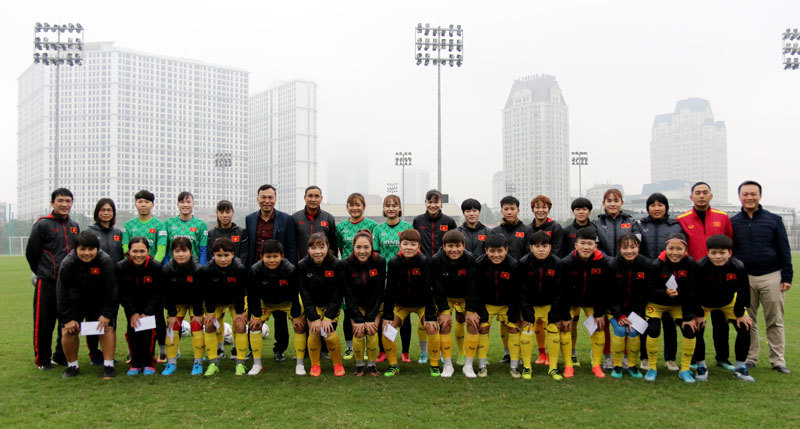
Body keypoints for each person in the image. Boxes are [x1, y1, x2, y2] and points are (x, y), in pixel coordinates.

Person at [731, 180, 793, 374]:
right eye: (745, 194)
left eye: (753, 194)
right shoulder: (732, 222)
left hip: (771, 276)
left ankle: (778, 361)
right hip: (744, 278)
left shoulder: (774, 220)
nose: (749, 197)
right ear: (740, 196)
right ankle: (750, 358)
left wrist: (787, 276)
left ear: (760, 195)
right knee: (749, 320)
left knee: (775, 320)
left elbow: (784, 249)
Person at [676, 182, 735, 371]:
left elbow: (729, 242)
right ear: (691, 197)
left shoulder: (722, 217)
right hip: (695, 277)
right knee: (697, 319)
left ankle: (723, 358)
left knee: (721, 321)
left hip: (721, 276)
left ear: (711, 195)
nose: (701, 196)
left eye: (705, 193)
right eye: (697, 193)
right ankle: (696, 359)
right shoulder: (682, 219)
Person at [26, 187, 80, 369]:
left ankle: (60, 355)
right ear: (52, 203)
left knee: (67, 321)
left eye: (68, 201)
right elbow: (32, 253)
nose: (64, 205)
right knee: (44, 322)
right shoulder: (42, 224)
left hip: (68, 284)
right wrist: (43, 271)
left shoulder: (74, 225)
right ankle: (42, 360)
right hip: (47, 282)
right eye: (60, 201)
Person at [245, 184, 297, 363]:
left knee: (280, 314)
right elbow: (249, 246)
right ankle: (252, 349)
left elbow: (290, 247)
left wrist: (288, 270)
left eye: (270, 197)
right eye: (263, 197)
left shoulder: (286, 219)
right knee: (254, 310)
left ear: (275, 199)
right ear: (258, 198)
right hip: (257, 273)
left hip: (280, 271)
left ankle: (279, 349)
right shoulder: (250, 219)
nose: (267, 201)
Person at [693, 234, 755, 382]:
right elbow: (694, 292)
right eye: (714, 253)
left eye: (722, 253)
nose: (718, 256)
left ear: (730, 253)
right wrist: (699, 313)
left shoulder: (738, 266)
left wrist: (741, 313)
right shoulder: (700, 266)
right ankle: (700, 365)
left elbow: (744, 291)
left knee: (745, 327)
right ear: (707, 253)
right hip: (704, 303)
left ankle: (740, 367)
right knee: (696, 328)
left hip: (729, 303)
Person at [57, 231, 118, 379]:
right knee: (68, 330)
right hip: (75, 301)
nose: (87, 253)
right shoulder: (68, 263)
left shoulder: (105, 261)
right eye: (82, 249)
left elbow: (112, 289)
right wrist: (67, 318)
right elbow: (61, 293)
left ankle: (108, 366)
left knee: (107, 328)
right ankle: (72, 367)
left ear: (97, 249)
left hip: (99, 300)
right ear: (75, 249)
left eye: (91, 249)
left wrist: (107, 314)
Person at [592, 188, 641, 369]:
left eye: (616, 200)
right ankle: (606, 357)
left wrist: (622, 261)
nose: (612, 203)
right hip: (604, 272)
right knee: (603, 318)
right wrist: (612, 261)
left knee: (626, 316)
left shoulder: (631, 222)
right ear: (604, 203)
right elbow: (594, 248)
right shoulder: (596, 223)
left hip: (626, 274)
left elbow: (636, 246)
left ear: (621, 202)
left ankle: (627, 356)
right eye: (609, 200)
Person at [644, 233, 701, 383]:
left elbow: (692, 292)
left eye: (679, 249)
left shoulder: (690, 264)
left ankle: (685, 369)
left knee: (689, 329)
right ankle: (652, 367)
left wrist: (689, 317)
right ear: (666, 248)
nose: (675, 252)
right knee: (654, 329)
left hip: (677, 306)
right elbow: (648, 290)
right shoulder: (656, 264)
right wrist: (664, 293)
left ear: (686, 250)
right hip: (656, 305)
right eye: (671, 248)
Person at [381, 229, 439, 377]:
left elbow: (428, 289)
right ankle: (393, 365)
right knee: (387, 329)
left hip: (421, 305)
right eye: (405, 244)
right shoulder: (394, 262)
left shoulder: (424, 261)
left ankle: (434, 364)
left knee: (432, 327)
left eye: (413, 244)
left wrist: (431, 315)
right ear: (400, 245)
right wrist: (387, 315)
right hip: (401, 305)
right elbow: (389, 291)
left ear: (418, 246)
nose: (409, 247)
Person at [121, 190, 169, 363]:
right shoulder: (128, 226)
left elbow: (162, 248)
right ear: (135, 204)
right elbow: (126, 247)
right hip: (133, 275)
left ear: (152, 205)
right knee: (132, 314)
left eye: (147, 202)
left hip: (153, 274)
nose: (143, 205)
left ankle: (162, 350)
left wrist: (149, 267)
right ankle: (132, 351)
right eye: (140, 201)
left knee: (157, 315)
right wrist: (136, 266)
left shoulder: (159, 225)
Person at [638, 193, 683, 372]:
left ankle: (670, 358)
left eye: (660, 205)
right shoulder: (641, 225)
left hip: (669, 277)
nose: (657, 208)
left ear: (666, 207)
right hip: (648, 277)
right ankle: (645, 357)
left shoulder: (675, 226)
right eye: (653, 205)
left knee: (669, 322)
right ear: (648, 207)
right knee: (646, 320)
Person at [463, 234, 519, 378]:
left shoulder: (513, 265)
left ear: (506, 250)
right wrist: (481, 310)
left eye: (499, 251)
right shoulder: (479, 264)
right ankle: (482, 365)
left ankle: (514, 365)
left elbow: (517, 292)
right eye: (492, 251)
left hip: (507, 305)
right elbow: (475, 289)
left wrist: (514, 312)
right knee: (483, 327)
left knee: (513, 328)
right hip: (487, 304)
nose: (496, 255)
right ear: (486, 250)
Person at [559, 226, 611, 378]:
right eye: (582, 243)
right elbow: (562, 291)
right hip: (572, 302)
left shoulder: (603, 263)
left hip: (592, 302)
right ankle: (568, 365)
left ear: (595, 246)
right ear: (576, 245)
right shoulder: (567, 263)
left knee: (599, 328)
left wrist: (600, 313)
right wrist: (565, 315)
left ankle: (596, 365)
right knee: (566, 327)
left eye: (590, 244)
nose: (586, 247)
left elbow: (604, 290)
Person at [247, 239, 303, 376]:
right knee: (254, 326)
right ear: (262, 257)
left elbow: (296, 295)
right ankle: (257, 364)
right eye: (268, 257)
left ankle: (300, 364)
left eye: (275, 256)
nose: (272, 260)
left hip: (287, 302)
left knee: (300, 326)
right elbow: (252, 295)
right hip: (266, 302)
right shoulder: (255, 270)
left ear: (282, 256)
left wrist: (296, 316)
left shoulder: (290, 270)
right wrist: (256, 315)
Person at [296, 232, 347, 377]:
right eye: (314, 248)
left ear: (328, 247)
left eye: (321, 247)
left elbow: (338, 293)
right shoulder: (302, 265)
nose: (318, 251)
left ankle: (337, 364)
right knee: (314, 332)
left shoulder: (337, 264)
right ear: (308, 250)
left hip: (331, 305)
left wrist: (328, 317)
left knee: (329, 334)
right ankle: (315, 365)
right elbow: (304, 294)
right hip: (313, 305)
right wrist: (313, 317)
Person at [516, 231, 564, 380]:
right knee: (527, 331)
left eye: (544, 246)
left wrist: (555, 313)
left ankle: (553, 368)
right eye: (537, 246)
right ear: (531, 248)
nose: (541, 249)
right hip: (531, 306)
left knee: (554, 330)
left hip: (549, 306)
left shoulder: (557, 263)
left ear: (550, 247)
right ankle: (527, 367)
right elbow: (521, 291)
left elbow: (559, 291)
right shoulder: (523, 263)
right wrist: (527, 313)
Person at [336, 192, 378, 360]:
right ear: (347, 207)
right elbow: (339, 249)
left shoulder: (372, 225)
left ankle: (369, 348)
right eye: (351, 205)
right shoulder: (340, 227)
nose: (354, 208)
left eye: (358, 205)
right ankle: (349, 347)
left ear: (364, 207)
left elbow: (373, 248)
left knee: (370, 311)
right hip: (348, 273)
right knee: (348, 312)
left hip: (367, 272)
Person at [371, 194, 413, 363]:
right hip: (384, 278)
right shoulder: (378, 230)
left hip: (403, 278)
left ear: (400, 208)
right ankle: (383, 350)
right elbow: (375, 254)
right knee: (385, 313)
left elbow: (412, 251)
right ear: (383, 209)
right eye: (387, 205)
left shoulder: (407, 227)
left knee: (404, 314)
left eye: (394, 205)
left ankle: (405, 351)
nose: (391, 208)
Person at [429, 229, 476, 375]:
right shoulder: (436, 260)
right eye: (450, 246)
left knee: (473, 323)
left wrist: (471, 309)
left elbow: (472, 285)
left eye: (458, 246)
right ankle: (447, 365)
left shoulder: (470, 259)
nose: (454, 250)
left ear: (464, 246)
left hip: (464, 297)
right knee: (445, 323)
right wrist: (443, 310)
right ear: (444, 246)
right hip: (446, 297)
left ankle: (468, 365)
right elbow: (437, 287)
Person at [201, 238, 248, 376]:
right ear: (213, 255)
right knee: (209, 325)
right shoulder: (208, 269)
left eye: (226, 255)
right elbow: (207, 293)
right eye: (219, 255)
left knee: (240, 325)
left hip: (235, 301)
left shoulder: (239, 269)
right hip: (215, 302)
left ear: (233, 254)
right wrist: (209, 312)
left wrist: (240, 313)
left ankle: (240, 363)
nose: (222, 259)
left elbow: (241, 291)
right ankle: (213, 363)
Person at [490, 195, 529, 364]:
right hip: (500, 281)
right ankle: (508, 353)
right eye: (506, 209)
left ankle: (517, 355)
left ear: (518, 210)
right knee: (504, 319)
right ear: (501, 211)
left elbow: (529, 253)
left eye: (512, 209)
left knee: (517, 318)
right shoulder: (495, 231)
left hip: (519, 279)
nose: (509, 212)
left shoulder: (526, 230)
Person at [117, 237, 163, 376]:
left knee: (149, 333)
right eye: (135, 251)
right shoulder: (121, 267)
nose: (138, 255)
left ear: (148, 251)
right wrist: (133, 312)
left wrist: (147, 312)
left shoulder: (156, 267)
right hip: (132, 306)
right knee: (133, 332)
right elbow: (122, 292)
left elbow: (158, 292)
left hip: (151, 306)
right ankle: (135, 363)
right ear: (128, 251)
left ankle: (149, 363)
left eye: (142, 251)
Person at [343, 231, 386, 376]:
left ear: (372, 247)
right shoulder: (346, 264)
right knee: (358, 332)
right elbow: (348, 294)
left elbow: (379, 291)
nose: (362, 251)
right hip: (356, 305)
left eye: (366, 247)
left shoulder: (379, 261)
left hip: (374, 304)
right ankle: (359, 366)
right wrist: (357, 319)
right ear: (353, 247)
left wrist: (370, 317)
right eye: (359, 247)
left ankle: (372, 366)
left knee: (372, 331)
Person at [161, 237, 205, 376]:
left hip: (194, 302)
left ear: (191, 252)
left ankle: (198, 362)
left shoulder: (198, 269)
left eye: (184, 251)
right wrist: (172, 314)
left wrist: (198, 314)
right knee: (171, 327)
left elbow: (200, 293)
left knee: (196, 327)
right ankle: (171, 362)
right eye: (177, 251)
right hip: (177, 303)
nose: (180, 254)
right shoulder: (167, 269)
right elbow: (166, 294)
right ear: (172, 253)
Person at [607, 233, 649, 380]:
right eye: (625, 247)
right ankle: (617, 365)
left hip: (635, 313)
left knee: (633, 332)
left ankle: (632, 365)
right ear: (619, 249)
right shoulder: (612, 265)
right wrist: (619, 315)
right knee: (619, 330)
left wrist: (635, 316)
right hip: (615, 312)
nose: (629, 251)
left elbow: (644, 294)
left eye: (633, 247)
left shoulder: (646, 265)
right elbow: (609, 294)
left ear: (638, 247)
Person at [293, 186, 336, 264]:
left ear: (321, 198)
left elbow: (333, 246)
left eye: (316, 196)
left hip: (324, 265)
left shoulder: (328, 218)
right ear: (305, 198)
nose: (313, 199)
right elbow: (292, 246)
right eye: (310, 196)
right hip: (301, 265)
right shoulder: (295, 218)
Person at [165, 191, 208, 265]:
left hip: (193, 266)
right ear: (178, 204)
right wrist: (166, 266)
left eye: (188, 202)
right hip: (173, 266)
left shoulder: (201, 224)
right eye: (182, 202)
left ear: (193, 204)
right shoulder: (168, 223)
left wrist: (201, 269)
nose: (185, 205)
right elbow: (165, 248)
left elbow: (203, 249)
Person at [208, 200, 248, 264]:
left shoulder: (241, 232)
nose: (224, 215)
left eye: (227, 212)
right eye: (221, 212)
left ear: (232, 213)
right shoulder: (211, 234)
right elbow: (210, 255)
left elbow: (243, 256)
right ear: (217, 213)